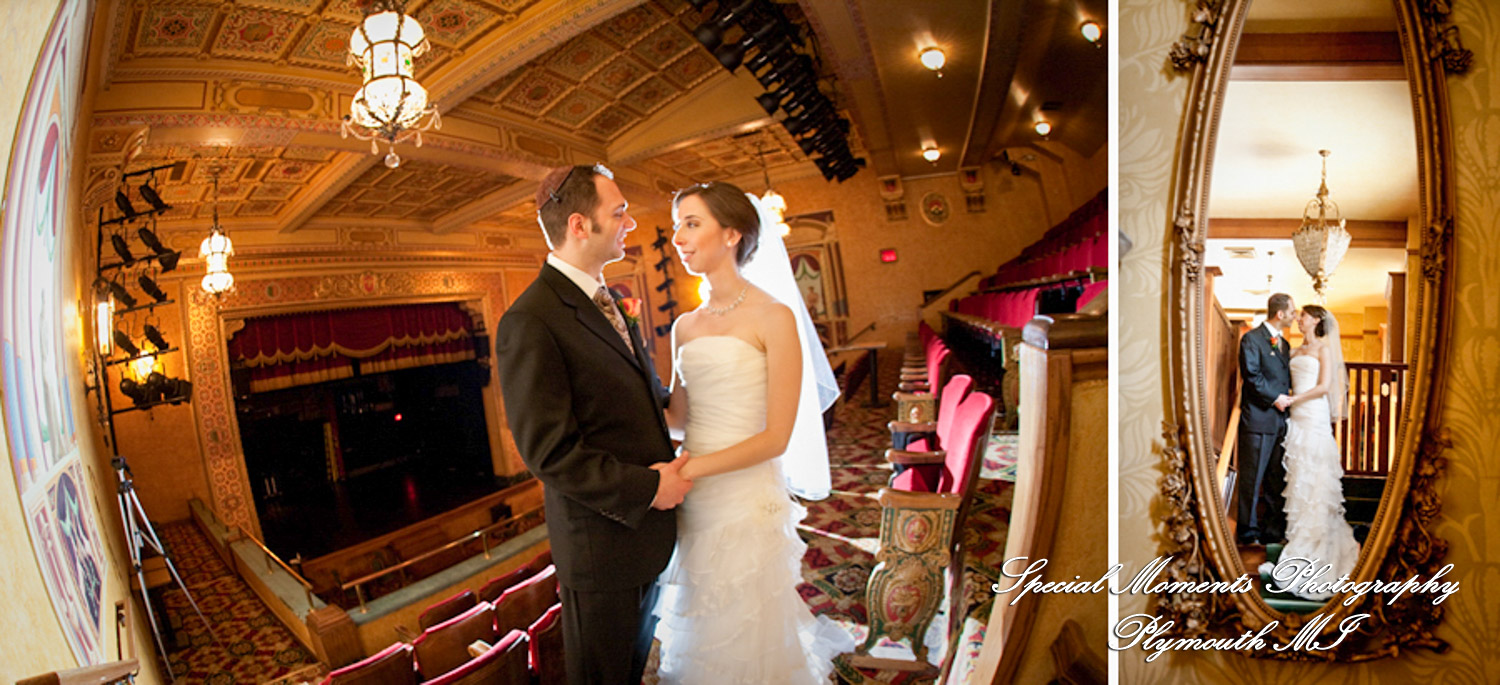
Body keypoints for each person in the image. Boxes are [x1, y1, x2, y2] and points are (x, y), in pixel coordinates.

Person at [495, 164, 691, 685]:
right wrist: (653, 487)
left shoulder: (609, 301)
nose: (630, 222)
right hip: (601, 550)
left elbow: (642, 399)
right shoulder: (530, 321)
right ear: (580, 225)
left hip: (644, 540)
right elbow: (550, 453)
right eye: (619, 212)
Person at [654, 182, 853, 683]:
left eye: (692, 223)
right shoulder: (684, 326)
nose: (678, 236)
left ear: (732, 234)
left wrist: (690, 468)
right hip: (694, 499)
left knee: (747, 629)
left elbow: (776, 438)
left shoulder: (774, 316)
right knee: (703, 624)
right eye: (677, 225)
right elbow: (678, 417)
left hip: (743, 495)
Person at [1260, 305, 1361, 600]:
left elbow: (1324, 387)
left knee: (1315, 479)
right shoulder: (1292, 350)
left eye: (1303, 314)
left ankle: (1316, 546)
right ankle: (1299, 538)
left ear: (1315, 320)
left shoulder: (1324, 350)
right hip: (1296, 420)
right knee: (1299, 479)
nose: (1299, 318)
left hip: (1313, 414)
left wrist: (1295, 399)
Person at [1236, 293, 1296, 546]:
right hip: (1258, 420)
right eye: (1292, 312)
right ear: (1280, 314)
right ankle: (1248, 533)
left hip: (1281, 423)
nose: (1294, 316)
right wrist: (1275, 399)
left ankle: (1272, 531)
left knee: (1275, 479)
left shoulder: (1285, 345)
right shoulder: (1251, 339)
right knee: (1252, 478)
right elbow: (1252, 376)